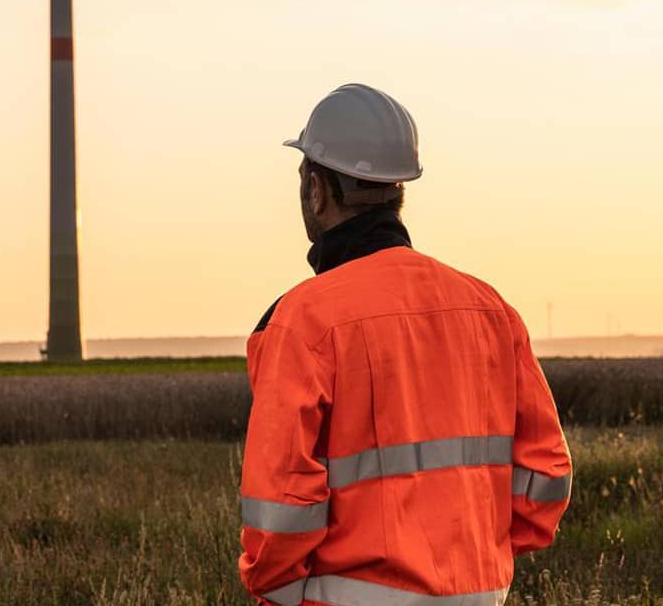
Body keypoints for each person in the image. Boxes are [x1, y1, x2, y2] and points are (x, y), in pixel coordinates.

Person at [239, 84, 572, 606]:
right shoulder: (490, 310)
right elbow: (547, 474)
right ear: (398, 190)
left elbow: (278, 506)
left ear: (316, 189)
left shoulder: (301, 322)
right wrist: (477, 563)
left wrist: (278, 592)